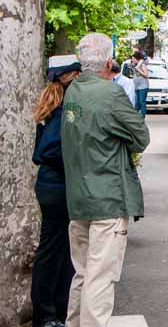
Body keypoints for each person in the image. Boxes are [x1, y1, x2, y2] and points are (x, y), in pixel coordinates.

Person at [62, 33, 150, 327]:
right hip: (108, 197)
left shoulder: (73, 90)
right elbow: (141, 137)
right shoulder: (109, 93)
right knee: (101, 278)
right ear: (109, 61)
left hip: (79, 197)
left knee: (83, 274)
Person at [30, 55, 81, 327]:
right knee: (53, 253)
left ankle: (55, 312)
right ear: (70, 77)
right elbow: (47, 151)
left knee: (59, 251)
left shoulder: (52, 106)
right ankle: (46, 315)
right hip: (58, 186)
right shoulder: (63, 110)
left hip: (52, 186)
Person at [131, 51, 149, 116]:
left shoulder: (142, 64)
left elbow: (146, 74)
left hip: (143, 86)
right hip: (137, 86)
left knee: (142, 102)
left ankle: (142, 116)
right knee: (137, 102)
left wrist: (138, 69)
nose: (132, 60)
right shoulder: (135, 65)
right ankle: (136, 116)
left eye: (133, 59)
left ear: (137, 59)